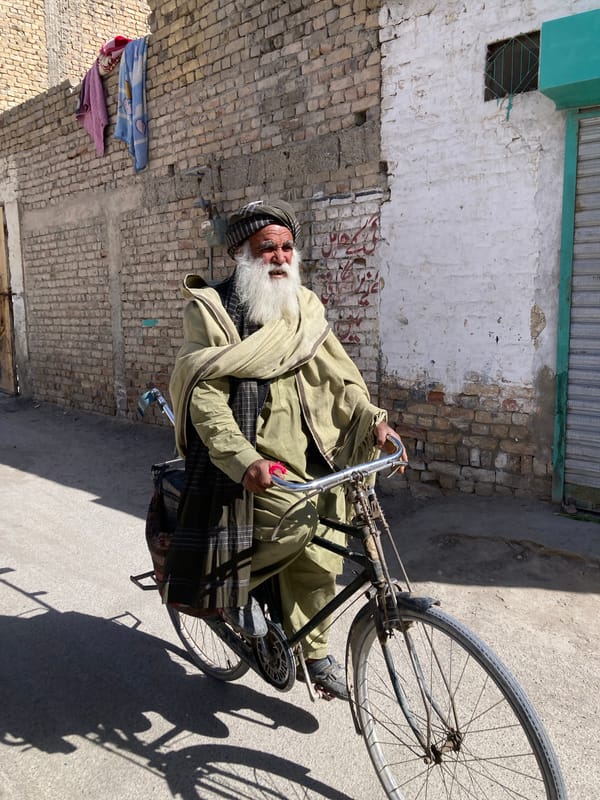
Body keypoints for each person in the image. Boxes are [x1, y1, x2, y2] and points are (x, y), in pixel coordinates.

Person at [165, 199, 401, 699]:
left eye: (287, 247)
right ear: (241, 255)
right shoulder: (212, 310)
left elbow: (339, 378)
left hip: (318, 449)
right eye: (266, 248)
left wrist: (372, 418)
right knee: (296, 524)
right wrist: (243, 459)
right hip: (257, 455)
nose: (279, 257)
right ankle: (230, 590)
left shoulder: (305, 306)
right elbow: (205, 394)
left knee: (324, 553)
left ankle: (314, 654)